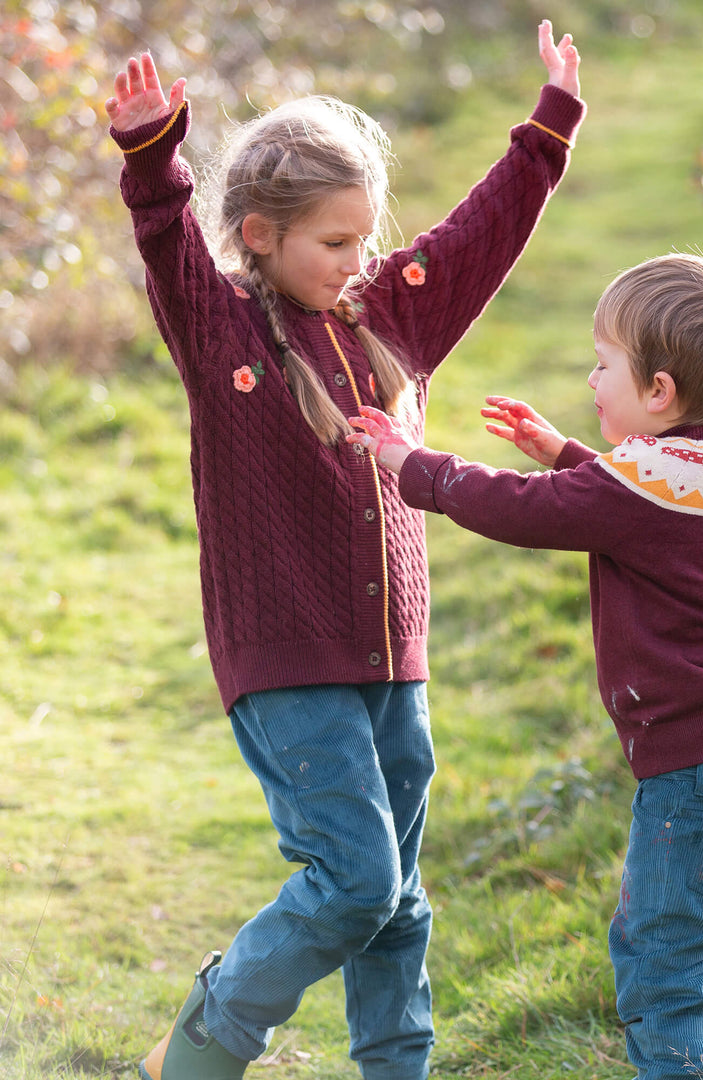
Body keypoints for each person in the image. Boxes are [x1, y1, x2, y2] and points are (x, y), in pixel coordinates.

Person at [104, 21, 583, 1080]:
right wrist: (154, 163)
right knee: (359, 879)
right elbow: (171, 254)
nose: (357, 261)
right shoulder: (222, 329)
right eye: (334, 242)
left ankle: (394, 1069)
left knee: (400, 899)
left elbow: (473, 239)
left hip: (394, 659)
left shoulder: (388, 320)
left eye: (366, 238)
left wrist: (545, 132)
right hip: (287, 665)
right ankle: (205, 1041)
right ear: (263, 236)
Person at [349, 253, 703, 1080]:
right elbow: (632, 504)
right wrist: (561, 449)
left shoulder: (647, 484)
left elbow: (523, 512)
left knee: (659, 961)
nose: (591, 377)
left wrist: (409, 462)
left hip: (699, 770)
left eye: (605, 365)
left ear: (659, 393)